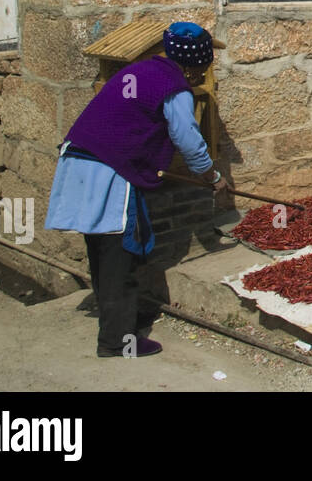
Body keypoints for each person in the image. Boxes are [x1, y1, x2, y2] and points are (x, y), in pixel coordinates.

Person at [45, 22, 231, 358]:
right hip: (108, 169)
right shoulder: (175, 88)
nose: (207, 69)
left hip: (78, 157)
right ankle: (116, 341)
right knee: (121, 252)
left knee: (101, 249)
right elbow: (188, 140)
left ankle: (118, 316)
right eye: (207, 63)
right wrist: (212, 177)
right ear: (195, 64)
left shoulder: (144, 70)